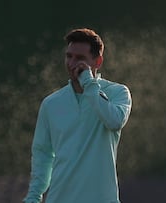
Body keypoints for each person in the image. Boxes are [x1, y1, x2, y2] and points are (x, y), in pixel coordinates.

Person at [23, 28, 132, 203]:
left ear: (98, 61)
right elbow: (42, 154)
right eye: (69, 56)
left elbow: (114, 121)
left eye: (80, 58)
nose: (72, 63)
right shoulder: (51, 103)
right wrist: (34, 196)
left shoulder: (117, 93)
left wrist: (88, 82)